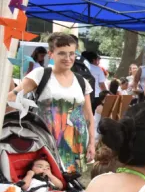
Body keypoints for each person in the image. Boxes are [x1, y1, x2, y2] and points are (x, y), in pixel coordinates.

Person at [9, 33, 95, 172]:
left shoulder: (82, 82)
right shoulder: (41, 74)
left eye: (71, 53)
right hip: (45, 142)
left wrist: (91, 143)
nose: (68, 58)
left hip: (75, 145)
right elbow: (12, 97)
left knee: (70, 187)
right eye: (62, 53)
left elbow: (89, 116)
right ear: (51, 54)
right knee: (44, 181)